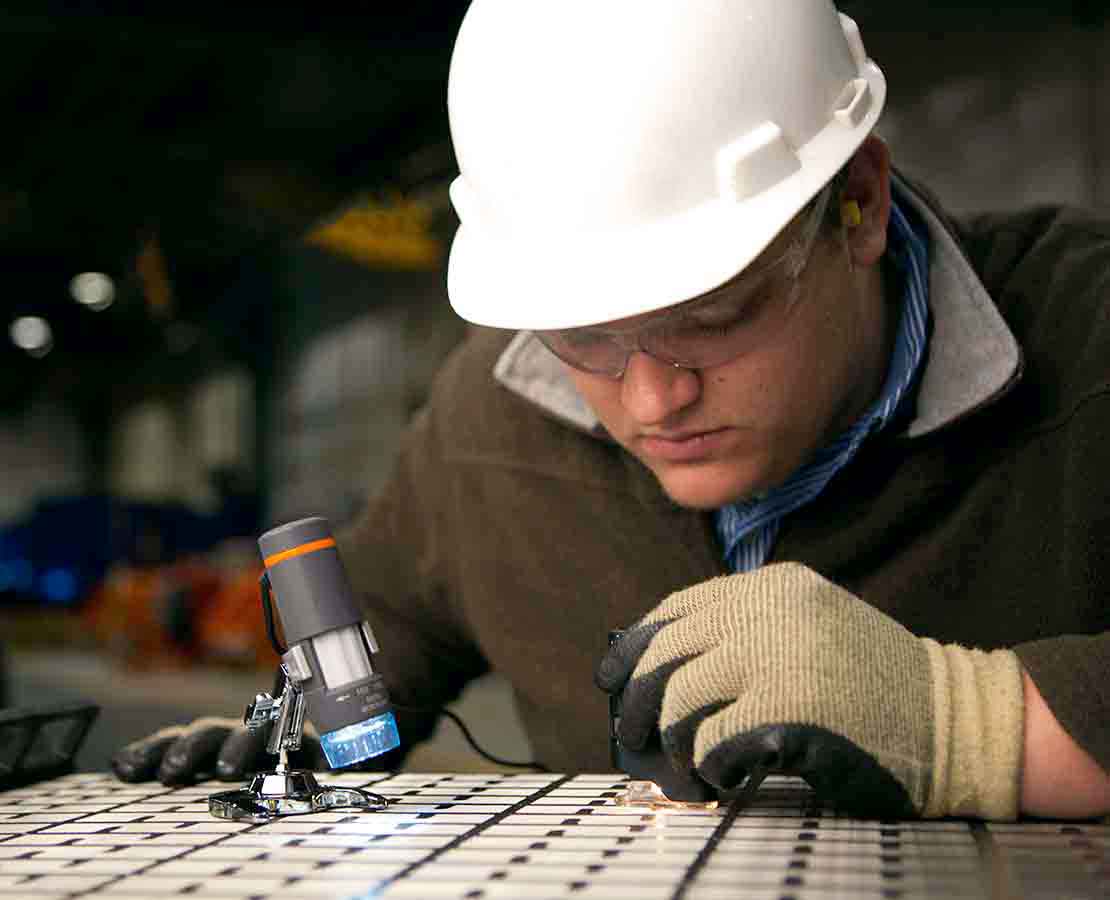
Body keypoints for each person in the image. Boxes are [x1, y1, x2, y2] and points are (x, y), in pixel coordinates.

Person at [113, 0, 1109, 820]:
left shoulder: (1087, 334)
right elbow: (395, 621)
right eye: (582, 336)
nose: (650, 397)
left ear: (858, 202)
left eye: (715, 316)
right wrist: (301, 731)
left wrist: (972, 722)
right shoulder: (490, 416)